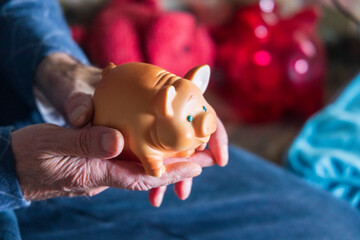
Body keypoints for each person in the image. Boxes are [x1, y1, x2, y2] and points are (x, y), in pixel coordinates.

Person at [0, 1, 360, 240]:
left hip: (38, 106)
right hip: (13, 170)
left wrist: (54, 62)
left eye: (199, 111)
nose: (202, 122)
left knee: (336, 228)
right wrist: (11, 171)